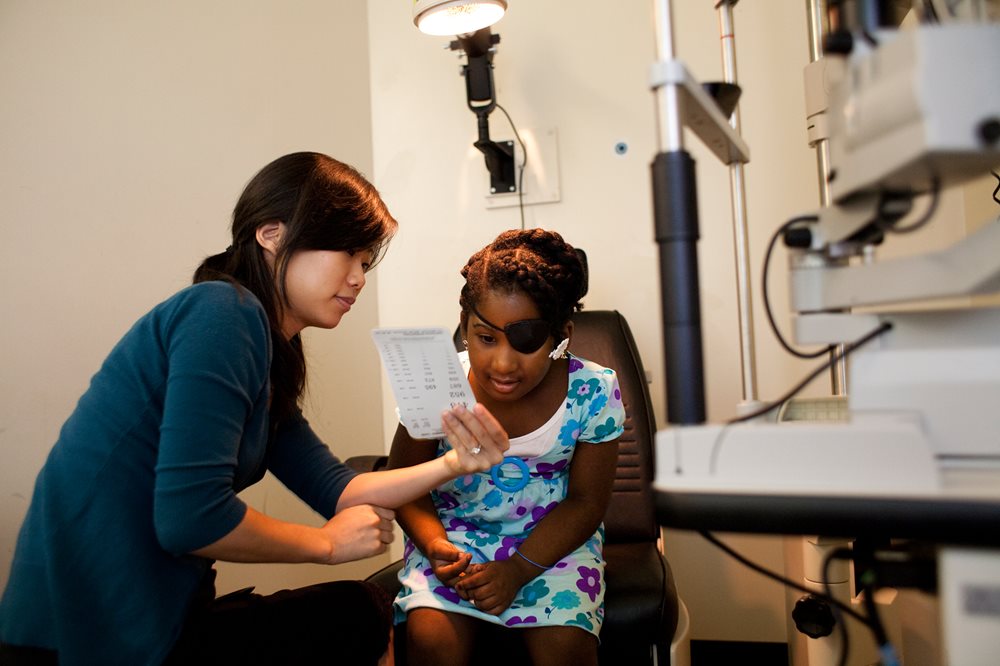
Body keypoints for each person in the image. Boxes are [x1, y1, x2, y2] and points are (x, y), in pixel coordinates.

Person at [0, 152, 508, 666]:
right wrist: (325, 545)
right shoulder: (222, 314)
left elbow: (339, 488)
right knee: (359, 613)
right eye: (347, 253)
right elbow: (189, 519)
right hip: (84, 633)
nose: (358, 277)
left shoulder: (264, 347)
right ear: (271, 234)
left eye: (365, 260)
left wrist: (454, 462)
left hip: (154, 618)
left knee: (359, 611)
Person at [388, 229, 625, 666]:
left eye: (526, 340)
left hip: (551, 550)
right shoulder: (437, 384)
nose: (502, 363)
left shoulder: (592, 390)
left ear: (561, 336)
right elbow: (404, 486)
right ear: (464, 327)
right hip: (454, 544)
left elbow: (587, 503)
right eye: (485, 337)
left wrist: (518, 570)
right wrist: (437, 547)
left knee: (565, 649)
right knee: (433, 642)